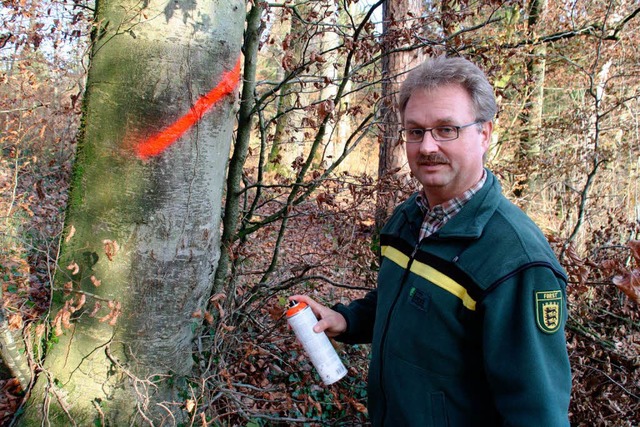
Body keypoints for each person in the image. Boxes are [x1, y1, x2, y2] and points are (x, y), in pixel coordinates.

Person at [291, 55, 572, 426]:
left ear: (484, 134)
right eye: (415, 131)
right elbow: (402, 299)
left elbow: (537, 414)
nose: (426, 147)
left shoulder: (516, 263)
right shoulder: (408, 218)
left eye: (446, 129)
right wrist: (346, 320)